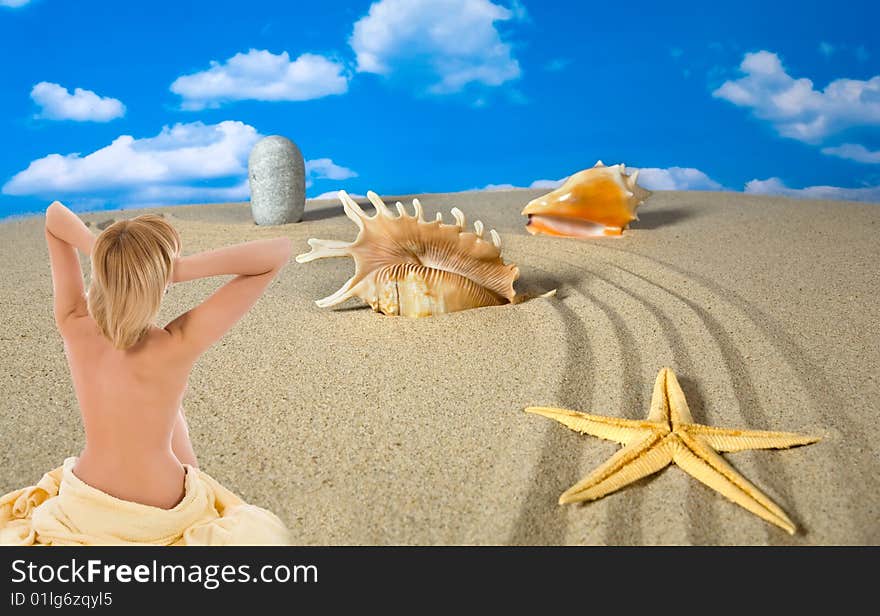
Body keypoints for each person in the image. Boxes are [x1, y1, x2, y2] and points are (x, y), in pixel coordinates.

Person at [0, 201, 292, 545]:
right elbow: (277, 253)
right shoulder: (176, 342)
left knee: (172, 411)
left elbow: (53, 217)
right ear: (159, 282)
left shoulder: (74, 323)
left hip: (88, 496)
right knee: (175, 424)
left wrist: (111, 257)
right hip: (159, 505)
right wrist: (176, 269)